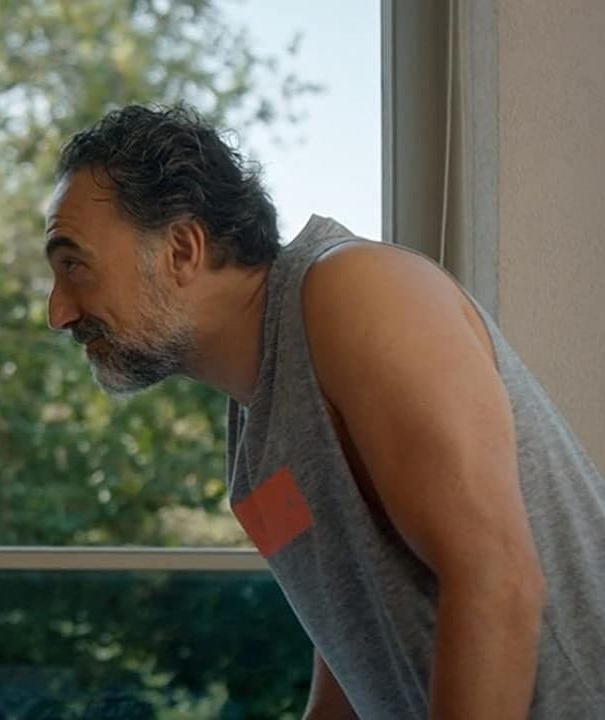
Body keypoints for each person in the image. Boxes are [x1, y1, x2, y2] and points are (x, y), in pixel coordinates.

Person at [43, 103, 605, 719]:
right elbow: (352, 627)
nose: (57, 312)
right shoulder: (251, 439)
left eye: (74, 265)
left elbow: (500, 583)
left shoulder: (357, 290)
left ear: (182, 248)